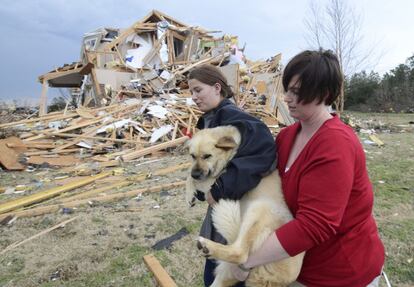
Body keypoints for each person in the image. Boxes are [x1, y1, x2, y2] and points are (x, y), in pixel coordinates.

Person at [230, 49, 385, 287]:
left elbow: (314, 225)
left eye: (297, 92)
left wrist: (246, 261)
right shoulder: (288, 135)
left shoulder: (335, 143)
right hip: (297, 263)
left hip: (341, 272)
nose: (287, 98)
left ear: (323, 94)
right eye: (287, 90)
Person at [187, 64, 276, 287]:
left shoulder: (231, 116)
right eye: (191, 92)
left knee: (221, 277)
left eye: (198, 90)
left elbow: (264, 147)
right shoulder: (212, 118)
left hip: (238, 213)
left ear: (217, 88)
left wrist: (219, 189)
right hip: (224, 213)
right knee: (215, 274)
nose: (194, 97)